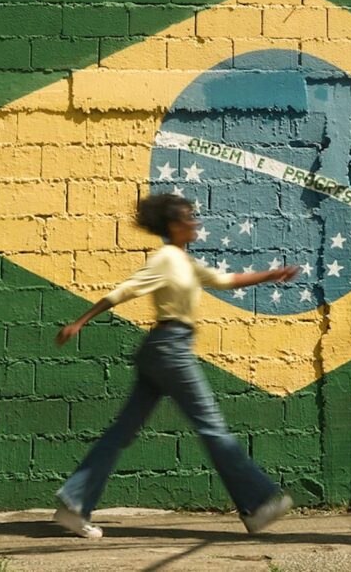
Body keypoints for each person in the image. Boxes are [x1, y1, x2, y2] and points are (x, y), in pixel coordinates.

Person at [53, 193, 300, 538]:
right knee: (212, 427)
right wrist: (81, 320)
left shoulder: (185, 262)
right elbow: (125, 291)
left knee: (122, 432)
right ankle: (258, 505)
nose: (195, 222)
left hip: (164, 350)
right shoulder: (167, 258)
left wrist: (271, 274)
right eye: (189, 217)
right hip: (170, 349)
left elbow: (225, 280)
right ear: (172, 225)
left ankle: (73, 506)